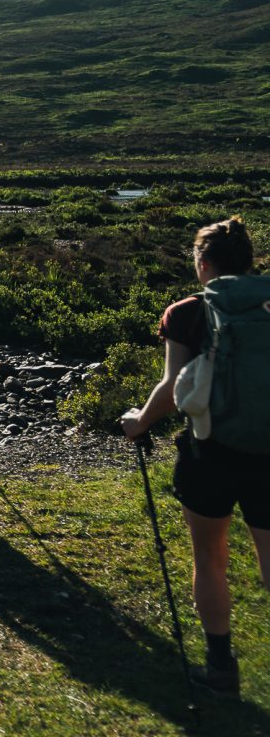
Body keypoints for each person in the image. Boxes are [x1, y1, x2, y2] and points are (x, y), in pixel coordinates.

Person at [122, 216, 270, 697]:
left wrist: (139, 423)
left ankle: (221, 668)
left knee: (209, 557)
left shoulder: (186, 313)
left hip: (210, 452)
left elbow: (171, 388)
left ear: (203, 263)